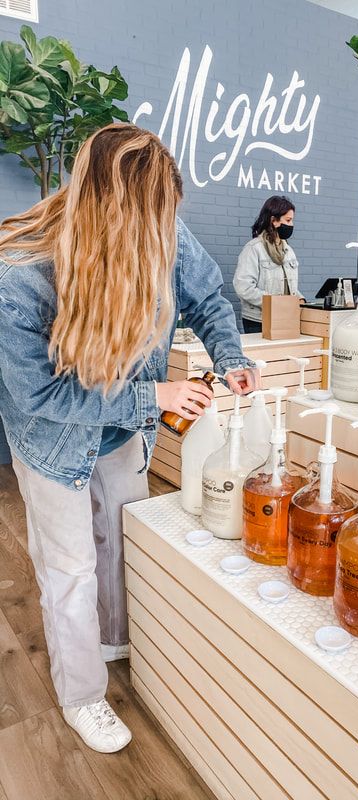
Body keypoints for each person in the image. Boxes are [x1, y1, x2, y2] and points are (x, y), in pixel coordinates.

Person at [0, 124, 257, 754]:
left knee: (119, 536)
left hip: (122, 431)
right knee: (70, 570)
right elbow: (40, 397)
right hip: (50, 443)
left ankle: (115, 641)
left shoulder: (163, 230)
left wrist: (231, 355)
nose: (167, 230)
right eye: (156, 214)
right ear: (110, 210)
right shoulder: (21, 274)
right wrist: (157, 396)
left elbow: (209, 299)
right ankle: (83, 695)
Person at [234, 195, 302, 333]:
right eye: (288, 220)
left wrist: (300, 299)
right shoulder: (254, 248)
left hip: (285, 317)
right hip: (258, 320)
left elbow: (287, 285)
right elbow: (243, 286)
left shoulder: (288, 251)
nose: (291, 225)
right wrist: (274, 302)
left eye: (292, 220)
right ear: (273, 220)